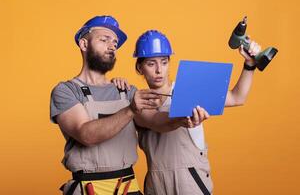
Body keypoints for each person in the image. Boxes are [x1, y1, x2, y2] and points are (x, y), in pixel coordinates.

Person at [113, 30, 261, 195]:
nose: (158, 70)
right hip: (157, 185)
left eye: (163, 62)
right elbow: (157, 121)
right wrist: (113, 84)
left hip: (191, 181)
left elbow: (236, 97)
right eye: (151, 63)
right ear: (140, 67)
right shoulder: (139, 102)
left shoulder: (189, 90)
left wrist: (250, 64)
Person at [50, 16, 165, 195]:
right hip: (88, 189)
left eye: (115, 43)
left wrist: (184, 117)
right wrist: (130, 110)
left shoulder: (126, 91)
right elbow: (86, 134)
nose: (112, 46)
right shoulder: (66, 91)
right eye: (104, 40)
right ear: (84, 44)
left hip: (129, 189)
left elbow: (156, 121)